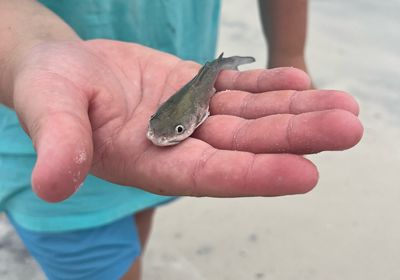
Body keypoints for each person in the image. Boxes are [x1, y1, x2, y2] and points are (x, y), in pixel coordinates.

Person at [0, 0, 363, 279]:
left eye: (173, 131)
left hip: (175, 56)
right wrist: (26, 49)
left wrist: (289, 51)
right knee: (102, 261)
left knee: (141, 202)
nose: (161, 137)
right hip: (35, 150)